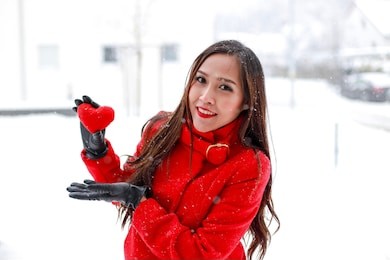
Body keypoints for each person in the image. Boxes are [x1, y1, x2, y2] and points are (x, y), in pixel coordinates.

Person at [67, 39, 280, 260]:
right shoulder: (162, 130)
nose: (206, 97)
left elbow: (202, 254)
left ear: (245, 101)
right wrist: (98, 150)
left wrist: (139, 203)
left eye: (225, 87)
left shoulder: (249, 165)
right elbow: (128, 184)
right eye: (201, 80)